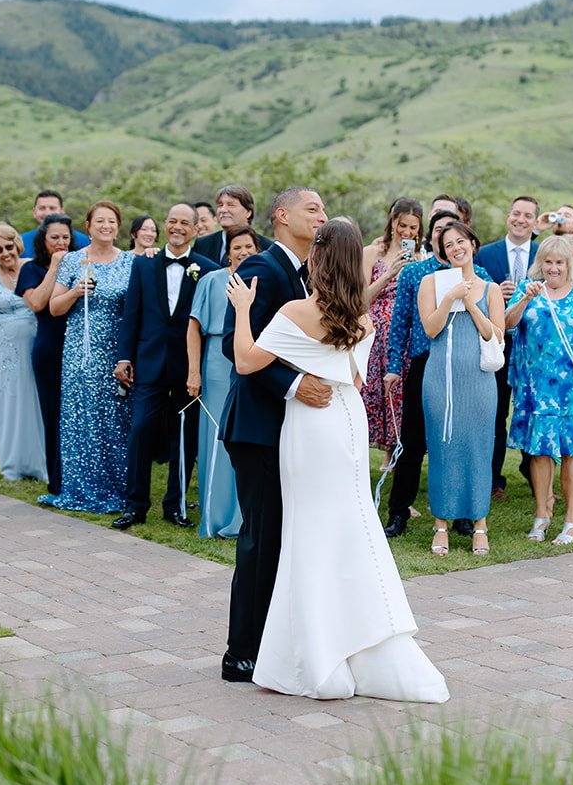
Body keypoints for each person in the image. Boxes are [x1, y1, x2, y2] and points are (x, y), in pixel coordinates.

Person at [225, 217, 447, 703]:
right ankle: (361, 636)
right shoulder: (362, 318)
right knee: (351, 521)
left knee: (308, 530)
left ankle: (319, 653)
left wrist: (242, 310)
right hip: (347, 419)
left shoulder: (296, 311)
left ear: (318, 256)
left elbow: (244, 360)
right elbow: (355, 376)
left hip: (311, 424)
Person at [219, 187, 329, 685]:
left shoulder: (304, 274)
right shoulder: (262, 268)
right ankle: (240, 653)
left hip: (288, 428)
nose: (322, 216)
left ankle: (271, 643)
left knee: (281, 538)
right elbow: (235, 345)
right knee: (260, 540)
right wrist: (293, 384)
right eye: (313, 208)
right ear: (282, 215)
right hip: (258, 426)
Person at [380, 208, 491, 539]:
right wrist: (392, 367)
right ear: (433, 239)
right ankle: (398, 511)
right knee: (413, 441)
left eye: (454, 233)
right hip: (425, 362)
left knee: (462, 439)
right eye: (441, 233)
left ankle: (462, 515)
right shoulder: (417, 274)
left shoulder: (479, 274)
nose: (450, 240)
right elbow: (400, 321)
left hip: (466, 367)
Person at [112, 204, 219, 529]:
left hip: (189, 366)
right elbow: (132, 313)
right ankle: (135, 506)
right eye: (172, 221)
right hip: (150, 362)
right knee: (140, 430)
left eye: (185, 223)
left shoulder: (207, 269)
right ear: (165, 224)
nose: (177, 227)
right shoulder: (143, 265)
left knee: (183, 436)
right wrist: (124, 356)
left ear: (195, 229)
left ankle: (175, 505)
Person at [505, 235, 573, 545]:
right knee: (539, 453)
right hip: (536, 387)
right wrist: (524, 299)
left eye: (559, 262)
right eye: (548, 262)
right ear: (540, 263)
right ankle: (541, 515)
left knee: (571, 452)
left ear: (570, 264)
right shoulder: (528, 290)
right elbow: (507, 324)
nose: (553, 268)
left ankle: (572, 519)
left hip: (572, 388)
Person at [41, 201, 136, 512]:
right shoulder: (73, 260)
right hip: (80, 352)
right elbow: (54, 307)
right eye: (100, 221)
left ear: (118, 227)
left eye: (112, 221)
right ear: (88, 226)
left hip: (116, 350)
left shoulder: (130, 262)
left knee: (115, 418)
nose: (106, 226)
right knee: (81, 416)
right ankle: (81, 486)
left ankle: (119, 486)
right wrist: (74, 292)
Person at [419, 220, 505, 557]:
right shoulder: (431, 283)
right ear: (442, 252)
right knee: (442, 447)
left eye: (460, 241)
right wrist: (450, 298)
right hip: (440, 380)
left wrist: (469, 302)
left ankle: (479, 524)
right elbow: (431, 330)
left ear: (472, 243)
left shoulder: (491, 289)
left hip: (479, 382)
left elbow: (495, 335)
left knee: (479, 448)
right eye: (448, 245)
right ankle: (440, 524)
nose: (456, 248)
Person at [187, 227, 260, 538]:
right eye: (237, 247)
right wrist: (194, 372)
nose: (243, 252)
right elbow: (194, 328)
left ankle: (245, 518)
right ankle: (215, 516)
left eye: (249, 247)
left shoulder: (261, 281)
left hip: (253, 362)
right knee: (216, 437)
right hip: (216, 364)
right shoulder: (210, 280)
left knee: (246, 438)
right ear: (228, 252)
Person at [477, 195, 541, 496]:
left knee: (533, 410)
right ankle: (493, 480)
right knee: (496, 411)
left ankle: (533, 472)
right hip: (497, 344)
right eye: (516, 213)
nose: (520, 220)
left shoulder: (544, 255)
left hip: (533, 347)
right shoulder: (486, 254)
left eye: (528, 216)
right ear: (508, 216)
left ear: (536, 222)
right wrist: (494, 294)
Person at [0, 223, 47, 482]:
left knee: (36, 400)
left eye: (8, 247)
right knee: (9, 402)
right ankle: (12, 465)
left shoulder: (33, 268)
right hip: (4, 349)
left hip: (36, 344)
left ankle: (41, 463)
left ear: (17, 245)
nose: (5, 253)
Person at [360, 197, 423, 467]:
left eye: (413, 228)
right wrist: (389, 274)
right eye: (402, 225)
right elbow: (361, 299)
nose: (406, 232)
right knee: (372, 395)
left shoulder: (420, 258)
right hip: (375, 335)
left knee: (400, 397)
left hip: (405, 337)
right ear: (392, 222)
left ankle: (394, 458)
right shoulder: (373, 252)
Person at [19, 214, 73, 493]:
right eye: (55, 237)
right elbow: (37, 303)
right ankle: (57, 478)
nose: (61, 242)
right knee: (52, 413)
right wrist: (54, 267)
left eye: (65, 237)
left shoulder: (80, 263)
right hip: (49, 349)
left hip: (76, 346)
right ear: (43, 239)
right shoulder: (31, 268)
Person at [193, 185, 260, 263]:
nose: (223, 210)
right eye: (220, 205)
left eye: (231, 205)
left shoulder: (266, 247)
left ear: (248, 212)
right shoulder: (202, 245)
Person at [20, 190, 89, 256]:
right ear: (34, 212)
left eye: (52, 208)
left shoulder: (82, 240)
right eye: (42, 208)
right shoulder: (22, 241)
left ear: (62, 211)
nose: (47, 213)